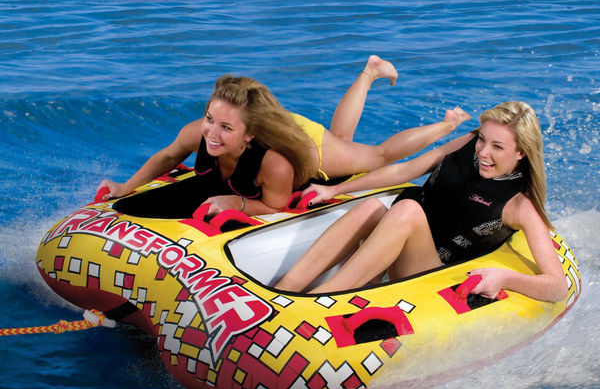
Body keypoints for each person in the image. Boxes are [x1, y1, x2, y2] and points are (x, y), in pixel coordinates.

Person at [96, 55, 468, 219]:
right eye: (211, 119)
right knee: (341, 135)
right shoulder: (201, 132)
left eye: (225, 127)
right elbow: (167, 156)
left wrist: (238, 204)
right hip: (268, 127)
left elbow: (275, 205)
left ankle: (450, 123)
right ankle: (369, 71)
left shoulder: (274, 161)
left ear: (248, 133)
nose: (211, 132)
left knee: (377, 155)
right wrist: (125, 187)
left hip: (306, 146)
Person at [276, 101, 568, 303]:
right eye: (482, 140)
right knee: (370, 208)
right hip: (402, 241)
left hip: (432, 275)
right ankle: (284, 290)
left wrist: (505, 278)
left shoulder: (520, 204)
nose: (483, 152)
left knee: (407, 209)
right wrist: (336, 188)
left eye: (497, 146)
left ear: (521, 154)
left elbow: (556, 287)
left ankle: (318, 300)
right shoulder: (469, 144)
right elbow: (406, 169)